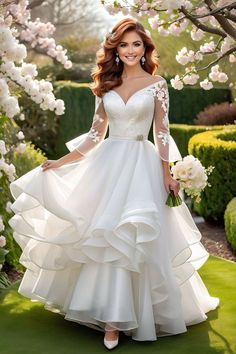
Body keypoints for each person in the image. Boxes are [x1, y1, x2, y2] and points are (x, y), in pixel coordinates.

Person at [9, 17, 219, 350]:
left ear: (145, 48)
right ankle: (109, 318)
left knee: (134, 236)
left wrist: (167, 172)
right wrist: (61, 161)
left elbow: (161, 132)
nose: (131, 50)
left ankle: (122, 320)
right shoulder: (105, 85)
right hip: (107, 164)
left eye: (137, 44)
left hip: (142, 164)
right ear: (115, 49)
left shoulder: (157, 84)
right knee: (104, 235)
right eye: (124, 44)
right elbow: (96, 134)